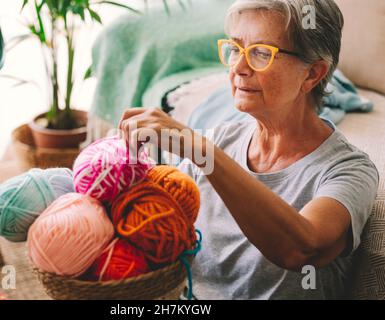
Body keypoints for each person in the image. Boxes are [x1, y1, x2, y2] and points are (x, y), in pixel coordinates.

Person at [118, 0, 379, 299]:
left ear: (312, 74)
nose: (239, 68)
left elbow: (302, 249)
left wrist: (203, 152)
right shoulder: (218, 141)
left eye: (260, 53)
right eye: (235, 49)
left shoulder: (349, 170)